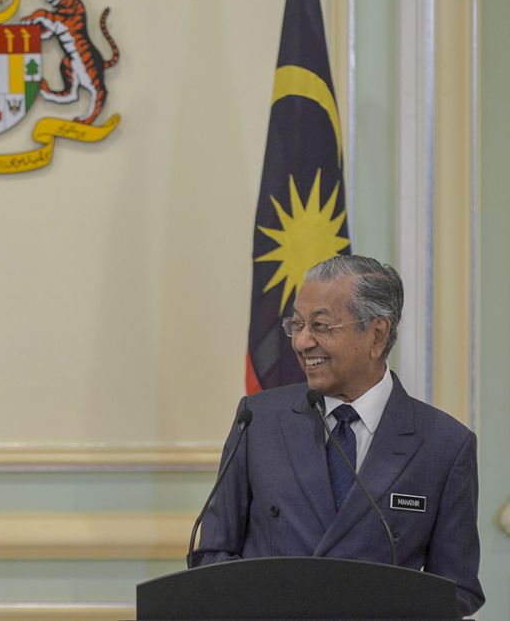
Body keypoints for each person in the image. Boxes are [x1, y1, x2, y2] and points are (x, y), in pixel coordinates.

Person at [193, 255, 484, 616]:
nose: (302, 342)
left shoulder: (445, 444)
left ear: (376, 335)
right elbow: (211, 553)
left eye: (321, 326)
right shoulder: (258, 420)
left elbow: (458, 590)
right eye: (296, 324)